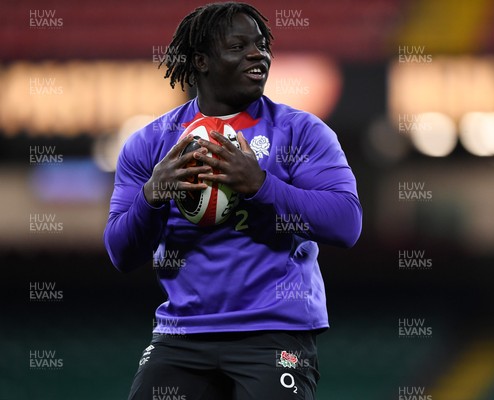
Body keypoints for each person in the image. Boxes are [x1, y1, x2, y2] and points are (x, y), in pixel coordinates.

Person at [104, 2, 362, 399]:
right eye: (239, 46)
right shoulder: (150, 144)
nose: (258, 54)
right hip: (182, 333)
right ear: (202, 61)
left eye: (261, 45)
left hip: (275, 332)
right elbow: (121, 253)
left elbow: (347, 224)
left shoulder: (302, 132)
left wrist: (260, 185)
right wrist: (152, 195)